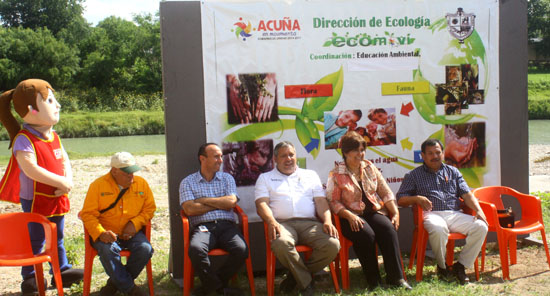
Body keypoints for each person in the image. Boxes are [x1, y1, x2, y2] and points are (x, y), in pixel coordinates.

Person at [0, 79, 84, 295]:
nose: (58, 105)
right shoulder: (23, 139)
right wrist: (61, 182)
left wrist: (68, 182)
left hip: (57, 196)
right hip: (34, 198)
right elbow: (30, 169)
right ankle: (30, 276)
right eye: (50, 100)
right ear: (31, 110)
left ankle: (61, 270)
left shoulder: (54, 136)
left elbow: (64, 160)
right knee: (36, 238)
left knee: (58, 235)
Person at [326, 131, 412, 290]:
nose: (361, 154)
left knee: (388, 230)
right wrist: (349, 215)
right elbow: (333, 201)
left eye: (362, 150)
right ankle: (374, 281)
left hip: (372, 212)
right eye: (356, 150)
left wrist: (395, 212)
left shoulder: (370, 167)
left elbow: (385, 191)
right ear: (345, 152)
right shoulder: (336, 173)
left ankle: (396, 278)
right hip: (349, 216)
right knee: (366, 234)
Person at [396, 139, 488, 284]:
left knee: (481, 226)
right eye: (430, 153)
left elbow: (467, 194)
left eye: (438, 152)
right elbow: (400, 199)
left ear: (443, 154)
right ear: (423, 156)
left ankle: (461, 266)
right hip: (431, 214)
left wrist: (479, 210)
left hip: (454, 213)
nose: (435, 156)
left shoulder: (453, 171)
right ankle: (443, 266)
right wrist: (417, 198)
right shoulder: (413, 175)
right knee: (439, 229)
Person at [255, 141, 340, 296]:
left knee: (332, 244)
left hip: (310, 224)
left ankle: (295, 277)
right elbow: (261, 204)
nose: (288, 159)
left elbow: (321, 202)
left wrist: (327, 220)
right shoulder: (265, 178)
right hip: (282, 224)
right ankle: (306, 284)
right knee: (281, 244)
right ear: (275, 159)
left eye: (291, 154)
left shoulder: (310, 175)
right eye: (283, 156)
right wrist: (272, 222)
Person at [80, 152, 156, 296]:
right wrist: (101, 232)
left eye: (132, 172)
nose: (131, 176)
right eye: (126, 173)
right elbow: (87, 214)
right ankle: (132, 291)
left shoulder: (141, 184)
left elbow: (149, 209)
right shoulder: (97, 186)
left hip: (132, 233)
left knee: (145, 249)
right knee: (108, 250)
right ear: (114, 171)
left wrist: (135, 224)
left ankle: (112, 286)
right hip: (105, 233)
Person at [179, 143, 249, 296]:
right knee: (196, 250)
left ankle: (209, 287)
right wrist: (219, 204)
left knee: (241, 250)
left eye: (221, 156)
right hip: (203, 227)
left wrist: (203, 200)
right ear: (202, 159)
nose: (221, 160)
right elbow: (190, 209)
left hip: (227, 226)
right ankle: (219, 288)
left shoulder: (227, 178)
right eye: (216, 156)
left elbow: (231, 202)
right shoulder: (187, 182)